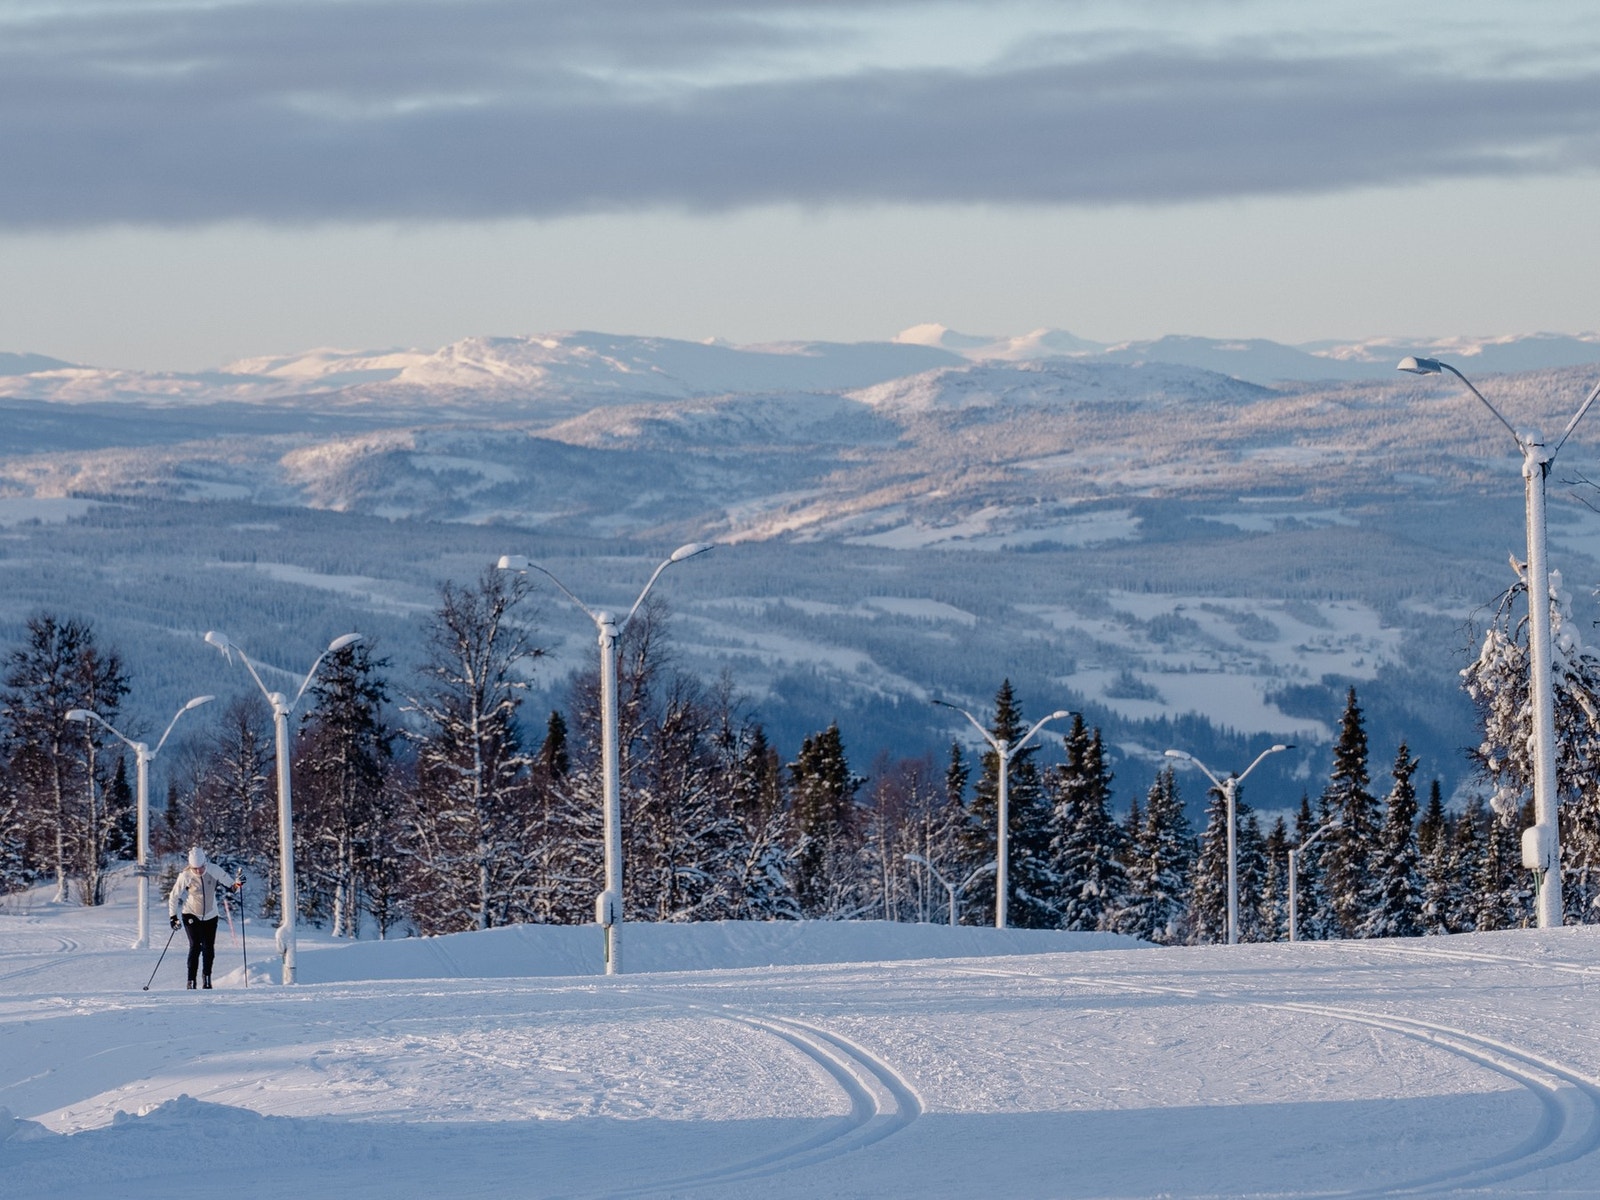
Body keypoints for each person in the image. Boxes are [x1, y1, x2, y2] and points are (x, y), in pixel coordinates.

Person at [168, 846, 242, 989]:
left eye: (201, 868)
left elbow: (233, 887)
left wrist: (239, 883)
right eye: (194, 869)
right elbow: (174, 895)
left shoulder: (214, 870)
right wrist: (173, 917)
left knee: (209, 947)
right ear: (190, 866)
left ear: (205, 863)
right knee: (195, 946)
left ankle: (207, 978)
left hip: (211, 915)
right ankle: (191, 981)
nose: (198, 871)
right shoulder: (185, 875)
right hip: (191, 913)